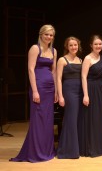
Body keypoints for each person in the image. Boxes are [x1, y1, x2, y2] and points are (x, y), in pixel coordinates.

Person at [10, 24, 57, 162]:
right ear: (41, 34)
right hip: (39, 87)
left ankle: (46, 150)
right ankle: (36, 152)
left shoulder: (54, 50)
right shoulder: (35, 48)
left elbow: (53, 71)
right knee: (38, 120)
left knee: (48, 120)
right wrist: (35, 90)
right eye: (47, 34)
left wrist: (55, 91)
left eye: (51, 35)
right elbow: (30, 69)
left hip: (49, 88)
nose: (49, 37)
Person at [79, 34, 102, 157]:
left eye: (100, 44)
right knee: (91, 118)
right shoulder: (87, 58)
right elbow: (83, 77)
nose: (98, 46)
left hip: (101, 90)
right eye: (96, 44)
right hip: (90, 89)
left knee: (100, 118)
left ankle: (99, 146)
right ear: (91, 45)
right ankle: (91, 147)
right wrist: (85, 95)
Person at [56, 36, 83, 159]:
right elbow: (58, 79)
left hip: (80, 91)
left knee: (77, 120)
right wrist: (60, 96)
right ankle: (68, 151)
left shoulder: (81, 60)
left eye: (75, 45)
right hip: (69, 91)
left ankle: (73, 148)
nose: (73, 47)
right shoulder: (62, 60)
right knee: (70, 120)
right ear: (67, 47)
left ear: (78, 46)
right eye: (71, 45)